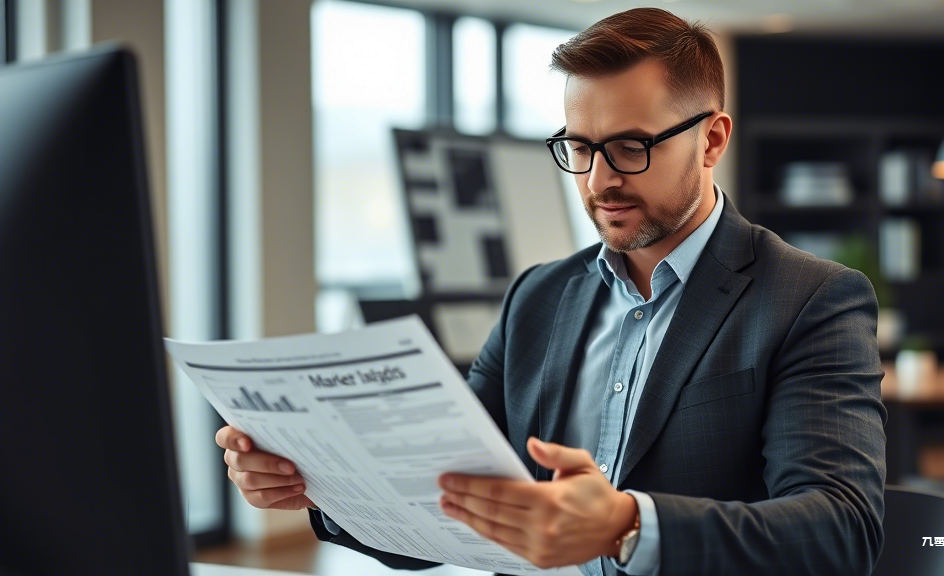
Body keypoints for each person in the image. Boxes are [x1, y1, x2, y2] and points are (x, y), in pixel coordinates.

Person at [216, 7, 886, 576]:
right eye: (579, 146)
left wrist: (629, 525)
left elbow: (840, 530)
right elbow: (445, 499)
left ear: (711, 140)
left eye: (630, 147)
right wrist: (323, 487)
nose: (598, 181)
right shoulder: (537, 298)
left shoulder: (810, 298)